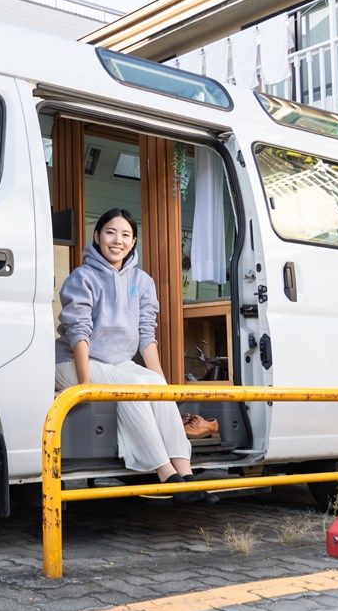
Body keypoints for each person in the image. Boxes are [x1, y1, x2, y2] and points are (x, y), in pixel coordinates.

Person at [56, 208, 217, 505]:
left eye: (125, 235)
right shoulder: (83, 277)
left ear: (134, 242)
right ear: (97, 236)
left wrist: (163, 389)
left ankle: (187, 474)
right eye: (110, 232)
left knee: (153, 384)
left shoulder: (142, 281)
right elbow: (78, 331)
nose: (117, 240)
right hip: (74, 362)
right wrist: (84, 385)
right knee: (134, 388)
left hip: (119, 363)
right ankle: (166, 474)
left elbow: (146, 336)